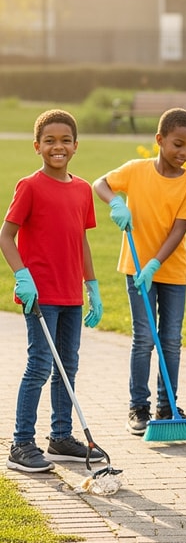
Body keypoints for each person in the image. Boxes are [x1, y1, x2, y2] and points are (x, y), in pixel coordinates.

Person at [1, 109, 104, 472]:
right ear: (37, 146)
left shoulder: (81, 189)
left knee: (68, 366)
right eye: (49, 141)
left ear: (75, 146)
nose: (57, 147)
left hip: (71, 295)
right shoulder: (29, 186)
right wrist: (22, 275)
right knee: (40, 366)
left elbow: (82, 241)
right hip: (40, 296)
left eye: (64, 141)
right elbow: (6, 235)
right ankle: (21, 443)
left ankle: (61, 436)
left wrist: (92, 286)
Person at [93, 108, 186, 435]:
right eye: (177, 144)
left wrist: (156, 262)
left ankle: (167, 405)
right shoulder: (136, 171)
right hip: (136, 269)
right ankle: (138, 406)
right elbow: (100, 183)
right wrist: (116, 202)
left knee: (171, 340)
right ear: (159, 140)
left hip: (172, 271)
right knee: (144, 338)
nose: (183, 153)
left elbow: (178, 231)